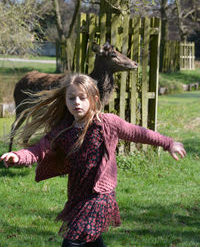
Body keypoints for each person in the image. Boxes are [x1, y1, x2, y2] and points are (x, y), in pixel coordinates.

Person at [0, 74, 186, 247]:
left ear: (94, 99)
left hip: (100, 195)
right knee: (92, 241)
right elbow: (37, 151)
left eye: (82, 97)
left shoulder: (107, 123)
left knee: (73, 241)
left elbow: (138, 133)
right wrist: (17, 156)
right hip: (77, 196)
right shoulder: (62, 131)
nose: (77, 103)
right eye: (71, 98)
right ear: (65, 101)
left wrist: (168, 143)